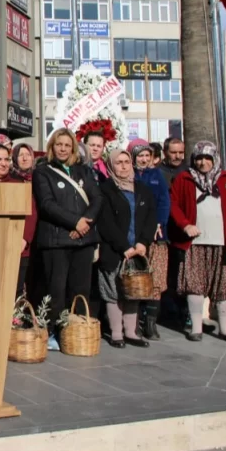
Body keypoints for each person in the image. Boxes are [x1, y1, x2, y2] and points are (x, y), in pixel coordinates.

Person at [169, 141, 226, 344]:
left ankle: (225, 328)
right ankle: (196, 328)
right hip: (195, 244)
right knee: (194, 286)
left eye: (207, 158)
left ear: (215, 159)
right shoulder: (184, 178)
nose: (203, 162)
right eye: (199, 158)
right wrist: (185, 225)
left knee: (225, 286)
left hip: (225, 245)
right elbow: (174, 205)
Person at [33, 128, 102, 351]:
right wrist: (74, 223)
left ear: (73, 148)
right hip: (56, 240)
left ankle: (76, 330)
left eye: (66, 145)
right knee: (56, 289)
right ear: (52, 147)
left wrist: (85, 222)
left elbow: (97, 198)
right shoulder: (43, 172)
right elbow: (47, 204)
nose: (62, 149)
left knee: (80, 288)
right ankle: (54, 330)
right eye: (58, 144)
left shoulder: (83, 171)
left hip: (83, 240)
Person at [96, 149, 157, 348]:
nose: (123, 166)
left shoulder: (143, 190)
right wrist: (123, 247)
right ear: (111, 166)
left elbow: (150, 218)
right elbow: (105, 223)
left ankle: (131, 332)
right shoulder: (105, 189)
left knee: (133, 291)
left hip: (137, 250)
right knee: (113, 292)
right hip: (115, 250)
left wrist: (143, 242)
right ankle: (116, 333)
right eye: (118, 162)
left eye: (126, 162)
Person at [128, 138, 171, 340]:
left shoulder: (157, 176)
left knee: (156, 278)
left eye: (147, 155)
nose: (144, 159)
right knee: (135, 279)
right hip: (136, 234)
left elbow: (164, 201)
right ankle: (134, 322)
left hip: (156, 236)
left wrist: (159, 224)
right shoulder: (129, 176)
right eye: (140, 156)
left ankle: (151, 323)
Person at [10, 143, 39, 297]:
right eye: (20, 155)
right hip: (21, 241)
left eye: (27, 154)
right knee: (17, 285)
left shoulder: (39, 178)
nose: (25, 157)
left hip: (37, 239)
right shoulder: (11, 179)